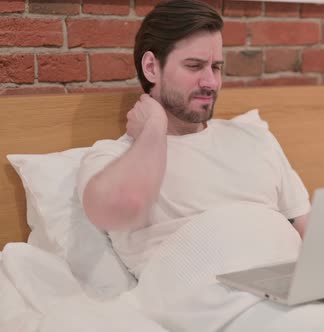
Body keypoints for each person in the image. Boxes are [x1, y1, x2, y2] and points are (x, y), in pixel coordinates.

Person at [77, 0, 310, 278]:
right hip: (202, 295)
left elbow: (308, 233)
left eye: (216, 67)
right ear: (152, 67)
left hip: (285, 285)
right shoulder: (111, 159)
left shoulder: (255, 138)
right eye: (194, 66)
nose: (211, 82)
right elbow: (117, 212)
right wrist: (153, 129)